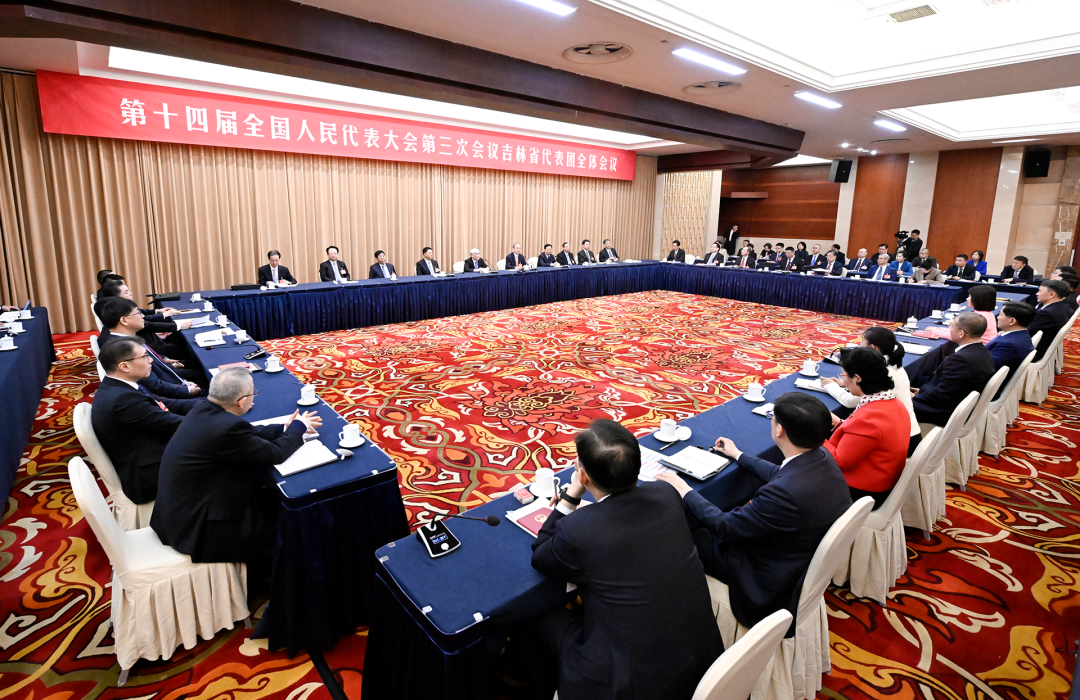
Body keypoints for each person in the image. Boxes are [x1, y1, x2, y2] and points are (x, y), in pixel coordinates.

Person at [523, 419, 723, 700]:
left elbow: (541, 555)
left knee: (529, 614)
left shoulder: (579, 529)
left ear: (583, 475)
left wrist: (571, 495)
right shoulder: (666, 494)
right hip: (701, 662)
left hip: (623, 685)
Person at [655, 393, 852, 634]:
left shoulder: (784, 494)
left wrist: (683, 489)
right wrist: (738, 455)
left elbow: (726, 527)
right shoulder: (821, 456)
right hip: (795, 552)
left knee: (684, 533)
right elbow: (781, 473)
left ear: (779, 430)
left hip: (763, 578)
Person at [151, 368, 321, 565]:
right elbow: (275, 453)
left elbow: (247, 433)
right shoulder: (226, 428)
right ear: (241, 401)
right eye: (253, 393)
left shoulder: (203, 409)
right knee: (295, 534)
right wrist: (299, 427)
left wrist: (283, 429)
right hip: (200, 528)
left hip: (180, 512)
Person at [91, 336, 201, 505]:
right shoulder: (124, 400)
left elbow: (167, 404)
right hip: (152, 473)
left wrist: (214, 404)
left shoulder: (121, 385)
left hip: (152, 451)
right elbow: (179, 425)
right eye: (144, 357)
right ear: (124, 366)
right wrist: (221, 416)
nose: (151, 360)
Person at [821, 348, 911, 507]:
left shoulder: (869, 419)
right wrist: (840, 423)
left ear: (857, 379)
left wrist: (814, 436)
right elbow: (868, 439)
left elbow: (840, 461)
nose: (843, 381)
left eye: (843, 376)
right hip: (882, 479)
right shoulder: (894, 403)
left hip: (862, 491)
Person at [821, 327, 921, 455]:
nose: (859, 345)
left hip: (902, 441)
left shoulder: (872, 407)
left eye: (862, 341)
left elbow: (840, 459)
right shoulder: (890, 366)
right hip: (903, 434)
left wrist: (830, 386)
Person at [98, 298, 202, 397]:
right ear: (124, 320)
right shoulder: (122, 348)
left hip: (168, 378)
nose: (143, 316)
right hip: (167, 393)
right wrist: (187, 390)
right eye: (138, 313)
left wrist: (164, 360)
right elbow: (155, 386)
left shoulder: (127, 339)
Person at [907, 313, 996, 426]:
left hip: (943, 411)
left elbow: (942, 395)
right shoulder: (982, 351)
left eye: (952, 326)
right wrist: (923, 391)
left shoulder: (961, 359)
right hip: (955, 401)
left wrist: (916, 398)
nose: (950, 329)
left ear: (961, 333)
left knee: (893, 403)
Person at [987, 302, 1036, 389]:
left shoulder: (1008, 345)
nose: (997, 317)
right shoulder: (1022, 335)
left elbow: (986, 369)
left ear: (1012, 321)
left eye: (1000, 314)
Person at [1028, 279, 1073, 360]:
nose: (1037, 293)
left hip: (1033, 352)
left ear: (1052, 294)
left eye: (1040, 291)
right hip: (1045, 345)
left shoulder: (1046, 314)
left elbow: (1027, 332)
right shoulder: (1064, 305)